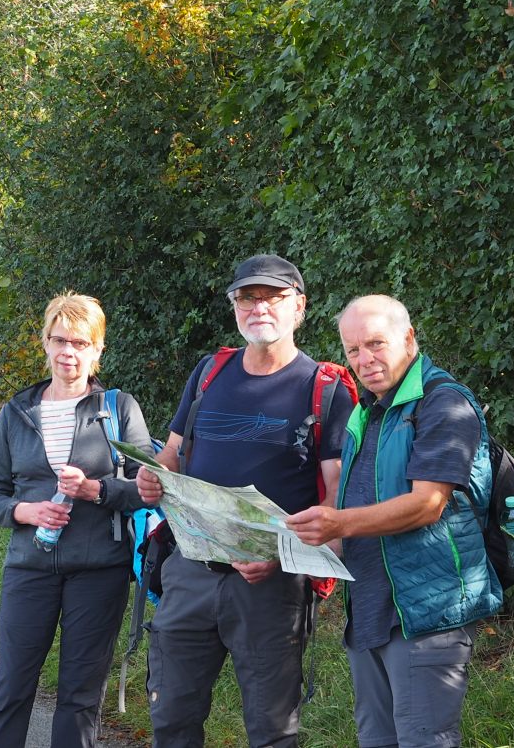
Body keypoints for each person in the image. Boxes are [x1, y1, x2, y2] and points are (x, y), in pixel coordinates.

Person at [135, 253, 356, 748]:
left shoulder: (325, 387)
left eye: (273, 297)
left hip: (271, 587)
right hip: (189, 571)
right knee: (170, 716)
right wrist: (154, 480)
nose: (259, 307)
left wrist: (281, 559)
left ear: (299, 307)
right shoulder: (210, 371)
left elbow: (337, 501)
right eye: (247, 297)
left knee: (272, 730)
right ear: (235, 306)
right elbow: (171, 455)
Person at [286, 295, 501, 748]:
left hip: (425, 616)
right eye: (353, 350)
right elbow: (357, 510)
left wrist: (338, 523)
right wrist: (284, 543)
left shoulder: (443, 403)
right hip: (369, 613)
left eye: (376, 344)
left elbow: (427, 504)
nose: (365, 360)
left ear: (408, 338)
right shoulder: (367, 410)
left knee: (425, 740)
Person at [0, 293, 152, 748]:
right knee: (11, 686)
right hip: (29, 568)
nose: (68, 353)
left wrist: (95, 489)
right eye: (59, 340)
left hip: (99, 569)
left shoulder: (119, 409)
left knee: (80, 695)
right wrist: (25, 511)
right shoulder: (16, 412)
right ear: (45, 343)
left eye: (80, 342)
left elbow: (149, 489)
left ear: (97, 350)